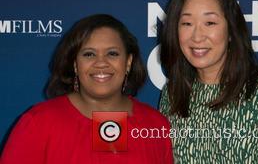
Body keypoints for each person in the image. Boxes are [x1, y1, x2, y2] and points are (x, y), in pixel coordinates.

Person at [159, 0, 258, 163]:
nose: (197, 36)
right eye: (187, 24)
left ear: (232, 30)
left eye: (210, 23)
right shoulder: (173, 94)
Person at [1, 14, 173, 164]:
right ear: (75, 64)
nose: (101, 63)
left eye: (112, 53)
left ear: (128, 62)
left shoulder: (156, 125)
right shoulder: (38, 123)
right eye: (89, 54)